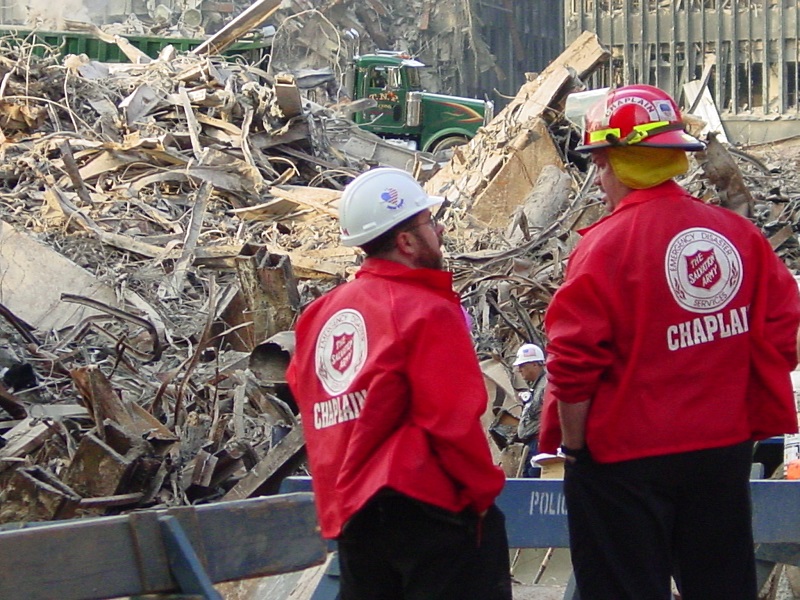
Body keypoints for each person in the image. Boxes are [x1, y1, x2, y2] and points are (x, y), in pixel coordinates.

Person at [540, 84, 800, 600]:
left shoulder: (604, 248)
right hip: (720, 452)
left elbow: (572, 367)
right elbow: (782, 330)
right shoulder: (737, 236)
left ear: (610, 162)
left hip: (620, 462)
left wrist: (574, 449)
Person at [286, 167, 512, 600]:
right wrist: (483, 496)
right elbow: (453, 420)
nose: (440, 230)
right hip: (432, 509)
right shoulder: (426, 310)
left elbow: (307, 392)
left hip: (354, 515)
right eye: (429, 222)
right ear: (406, 241)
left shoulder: (318, 316)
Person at [513, 343, 546, 477]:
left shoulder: (546, 386)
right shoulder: (536, 387)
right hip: (532, 444)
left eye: (523, 366)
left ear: (535, 364)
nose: (520, 370)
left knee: (533, 482)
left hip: (539, 444)